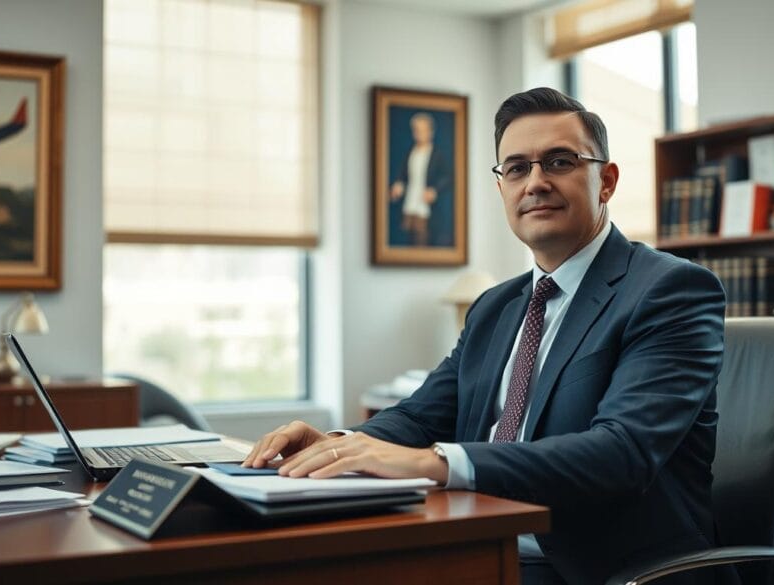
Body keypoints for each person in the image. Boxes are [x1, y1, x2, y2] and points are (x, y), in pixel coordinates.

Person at [244, 87, 735, 585]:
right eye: (517, 168)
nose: (536, 182)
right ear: (501, 187)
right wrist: (337, 445)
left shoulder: (671, 290)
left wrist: (435, 462)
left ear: (605, 181)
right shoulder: (496, 306)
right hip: (479, 547)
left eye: (560, 162)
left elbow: (621, 452)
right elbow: (420, 415)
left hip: (604, 569)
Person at [389, 112, 451, 247]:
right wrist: (399, 184)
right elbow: (404, 175)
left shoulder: (437, 155)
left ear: (430, 131)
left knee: (423, 239)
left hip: (427, 207)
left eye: (423, 130)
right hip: (411, 202)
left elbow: (448, 177)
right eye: (417, 130)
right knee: (410, 238)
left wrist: (434, 191)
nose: (420, 134)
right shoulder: (411, 153)